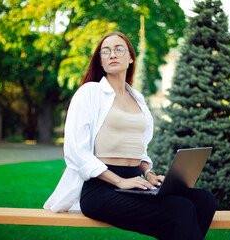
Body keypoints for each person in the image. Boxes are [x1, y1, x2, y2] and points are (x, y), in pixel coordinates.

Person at [44, 32, 216, 240]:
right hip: (101, 189)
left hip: (136, 183)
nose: (112, 55)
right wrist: (119, 181)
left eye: (118, 49)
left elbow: (139, 149)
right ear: (100, 60)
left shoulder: (138, 99)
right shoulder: (90, 92)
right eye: (105, 51)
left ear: (131, 57)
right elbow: (75, 153)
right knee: (180, 210)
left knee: (204, 200)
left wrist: (150, 175)